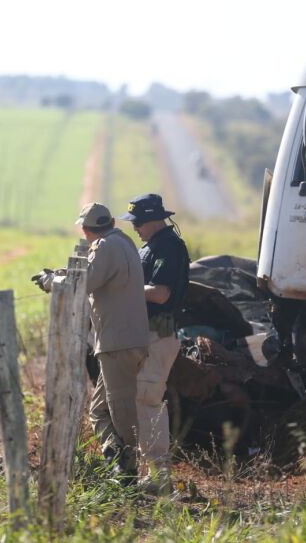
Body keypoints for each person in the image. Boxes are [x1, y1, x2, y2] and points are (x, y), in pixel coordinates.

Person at [120, 193, 190, 495]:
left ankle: (160, 478)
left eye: (138, 223)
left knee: (147, 401)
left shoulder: (170, 247)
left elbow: (161, 294)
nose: (135, 228)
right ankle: (141, 473)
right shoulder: (151, 246)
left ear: (151, 220)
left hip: (158, 334)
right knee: (138, 402)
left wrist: (124, 285)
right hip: (145, 334)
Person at [77, 202, 150, 478]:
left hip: (116, 343)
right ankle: (114, 457)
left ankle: (127, 468)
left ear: (85, 230)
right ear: (111, 224)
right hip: (128, 340)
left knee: (120, 409)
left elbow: (85, 282)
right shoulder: (125, 242)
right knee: (98, 410)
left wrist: (53, 282)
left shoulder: (104, 247)